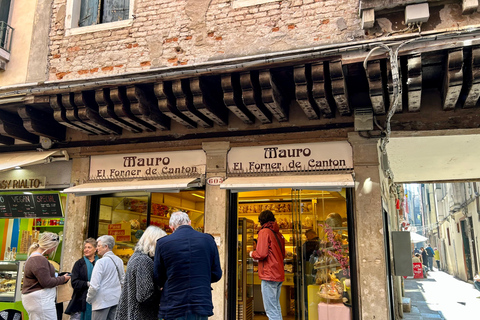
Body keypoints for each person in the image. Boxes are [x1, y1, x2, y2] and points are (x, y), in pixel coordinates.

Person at [153, 211, 222, 320]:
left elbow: (158, 276)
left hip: (174, 303)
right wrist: (201, 280)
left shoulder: (163, 243)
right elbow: (217, 274)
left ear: (171, 227)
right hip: (201, 302)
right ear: (189, 223)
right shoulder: (208, 240)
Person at [115, 226, 167, 320]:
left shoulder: (137, 256)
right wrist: (162, 291)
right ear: (155, 242)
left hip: (130, 313)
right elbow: (144, 295)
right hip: (138, 315)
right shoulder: (144, 261)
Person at [21, 232, 71, 320]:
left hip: (34, 300)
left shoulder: (32, 257)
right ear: (51, 246)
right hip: (40, 300)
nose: (54, 249)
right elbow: (46, 282)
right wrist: (63, 278)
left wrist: (57, 276)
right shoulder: (39, 260)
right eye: (55, 247)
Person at [249, 210, 286, 320]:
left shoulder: (264, 232)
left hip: (269, 274)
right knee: (276, 307)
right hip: (278, 273)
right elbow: (282, 254)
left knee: (270, 309)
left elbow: (261, 253)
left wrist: (252, 254)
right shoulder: (278, 233)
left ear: (261, 220)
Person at [86, 235, 125, 320]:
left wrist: (89, 298)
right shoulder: (119, 260)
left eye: (99, 246)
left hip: (101, 302)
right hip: (115, 300)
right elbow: (123, 281)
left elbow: (94, 286)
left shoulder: (100, 262)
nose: (97, 248)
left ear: (106, 247)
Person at [65, 238, 99, 320]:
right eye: (85, 247)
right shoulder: (79, 263)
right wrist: (87, 284)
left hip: (96, 302)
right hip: (80, 302)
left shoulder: (100, 263)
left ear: (95, 249)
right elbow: (74, 282)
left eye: (89, 247)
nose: (86, 249)